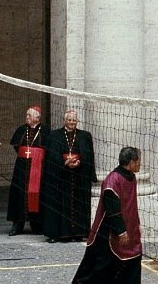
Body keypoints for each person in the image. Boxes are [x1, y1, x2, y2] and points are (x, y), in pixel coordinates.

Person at [73, 147, 142, 284]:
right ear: (131, 162)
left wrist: (136, 225)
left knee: (132, 261)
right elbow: (112, 210)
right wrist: (121, 231)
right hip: (109, 232)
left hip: (130, 230)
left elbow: (132, 205)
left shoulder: (131, 177)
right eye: (139, 161)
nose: (140, 164)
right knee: (100, 268)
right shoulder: (112, 181)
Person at [43, 110, 97, 242]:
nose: (72, 122)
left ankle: (79, 232)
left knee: (79, 205)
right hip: (60, 178)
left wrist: (80, 162)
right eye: (69, 120)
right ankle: (58, 234)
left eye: (74, 120)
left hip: (79, 177)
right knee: (59, 204)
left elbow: (89, 155)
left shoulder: (85, 136)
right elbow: (51, 155)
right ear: (64, 120)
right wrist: (64, 163)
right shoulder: (55, 135)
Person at [7, 106, 49, 236]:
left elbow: (48, 149)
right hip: (22, 168)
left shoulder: (46, 131)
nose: (27, 118)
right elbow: (16, 147)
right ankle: (17, 224)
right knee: (19, 194)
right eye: (27, 115)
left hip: (38, 168)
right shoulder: (21, 130)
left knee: (37, 194)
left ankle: (37, 224)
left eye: (29, 115)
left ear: (38, 117)